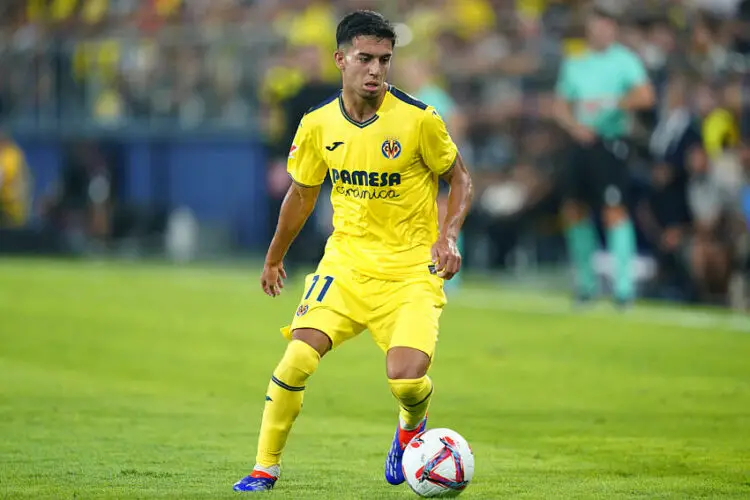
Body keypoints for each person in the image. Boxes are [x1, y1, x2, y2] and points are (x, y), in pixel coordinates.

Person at [233, 10, 474, 493]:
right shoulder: (318, 124)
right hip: (345, 266)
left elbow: (460, 178)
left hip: (410, 271)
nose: (376, 70)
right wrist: (275, 256)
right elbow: (301, 194)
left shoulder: (418, 119)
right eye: (365, 58)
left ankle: (410, 427)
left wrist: (446, 235)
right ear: (340, 59)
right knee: (296, 359)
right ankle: (264, 468)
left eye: (385, 60)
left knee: (406, 381)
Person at [552, 4, 655, 307]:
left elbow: (646, 96)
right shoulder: (575, 62)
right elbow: (560, 105)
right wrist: (574, 126)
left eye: (608, 25)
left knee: (614, 211)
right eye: (598, 25)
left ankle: (624, 288)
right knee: (573, 210)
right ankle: (586, 284)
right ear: (590, 29)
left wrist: (613, 102)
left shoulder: (625, 60)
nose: (603, 30)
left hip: (610, 143)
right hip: (580, 143)